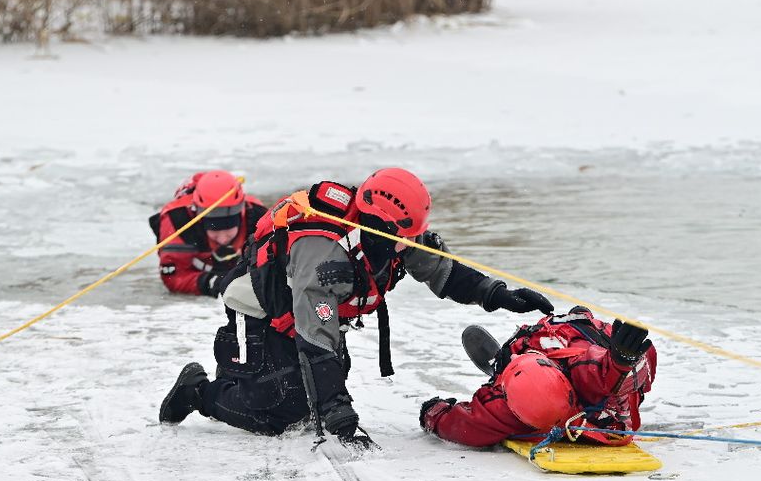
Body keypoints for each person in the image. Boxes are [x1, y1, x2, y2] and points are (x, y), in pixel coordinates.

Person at [158, 167, 555, 444]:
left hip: (310, 312)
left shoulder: (392, 236)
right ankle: (197, 392)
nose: (411, 243)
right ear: (381, 226)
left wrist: (499, 295)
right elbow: (317, 334)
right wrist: (340, 415)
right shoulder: (326, 256)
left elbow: (442, 271)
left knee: (311, 397)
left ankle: (297, 398)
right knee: (278, 408)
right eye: (406, 236)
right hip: (262, 310)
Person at [419, 308, 657, 447]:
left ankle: (503, 364)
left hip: (584, 402)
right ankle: (508, 361)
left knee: (605, 363)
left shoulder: (502, 408)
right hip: (604, 413)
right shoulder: (583, 371)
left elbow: (462, 425)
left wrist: (433, 412)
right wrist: (621, 362)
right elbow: (600, 371)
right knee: (612, 370)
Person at [148, 170, 267, 297]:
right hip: (199, 267)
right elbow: (173, 278)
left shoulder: (258, 217)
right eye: (214, 230)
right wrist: (209, 282)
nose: (222, 239)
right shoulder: (177, 221)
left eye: (228, 230)